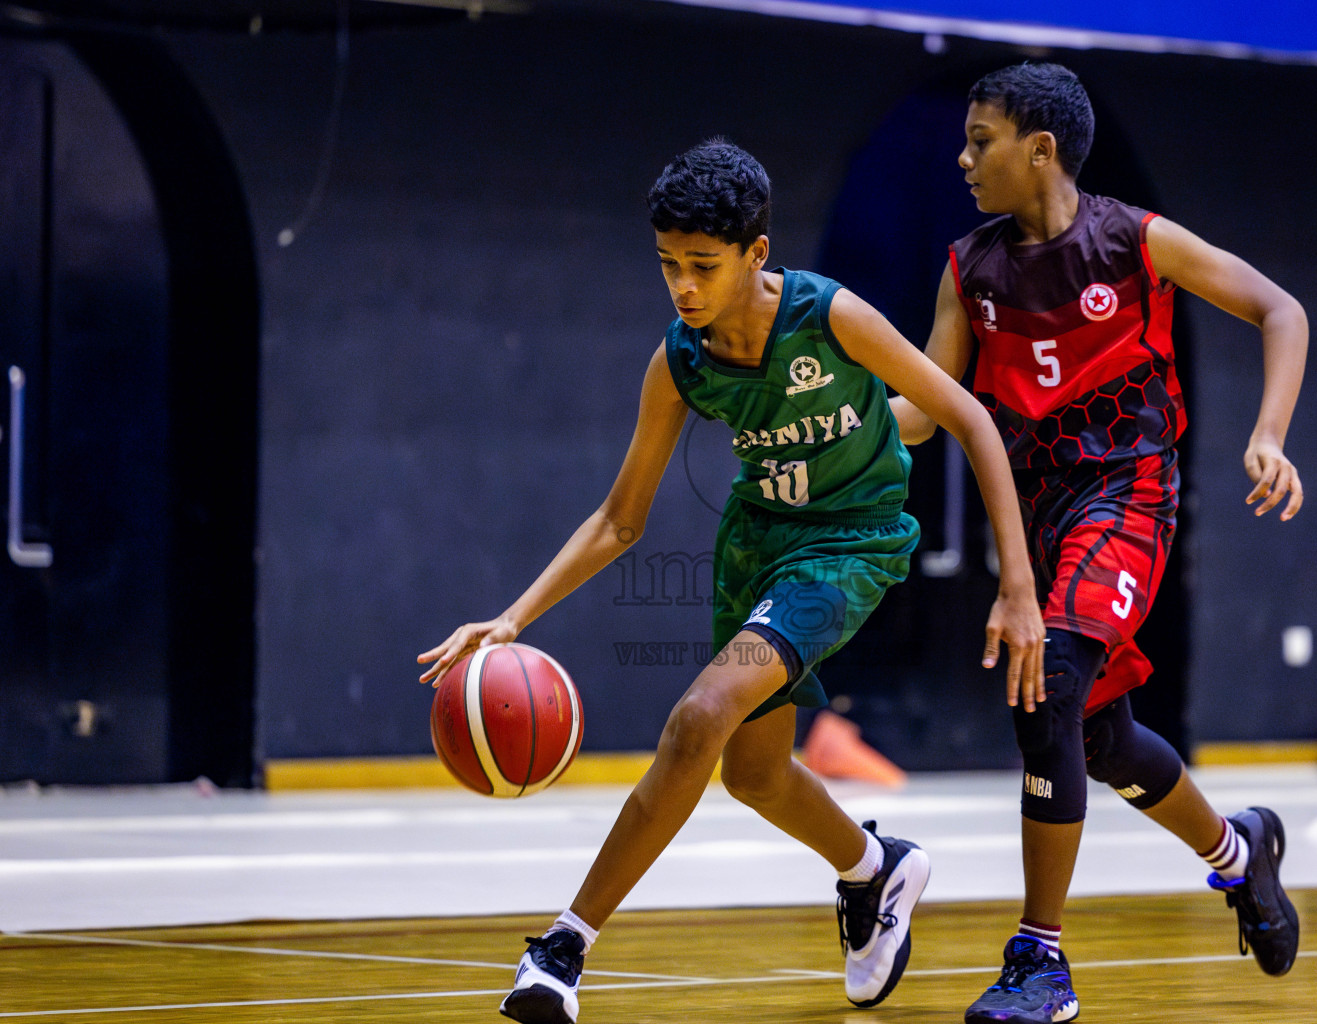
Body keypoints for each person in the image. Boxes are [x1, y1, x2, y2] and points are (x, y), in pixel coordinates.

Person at [418, 138, 1046, 1024]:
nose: (682, 286)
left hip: (850, 544)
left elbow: (969, 418)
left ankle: (562, 949)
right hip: (758, 545)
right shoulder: (681, 362)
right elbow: (618, 519)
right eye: (669, 265)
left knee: (700, 716)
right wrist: (512, 618)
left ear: (756, 255)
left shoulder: (830, 317)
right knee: (753, 774)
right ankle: (876, 870)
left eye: (702, 266)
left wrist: (1016, 586)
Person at [889, 62, 1307, 1024]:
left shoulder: (1134, 241)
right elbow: (930, 406)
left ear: (1040, 150)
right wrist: (849, 418)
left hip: (1128, 494)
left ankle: (1040, 959)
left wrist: (1269, 434)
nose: (962, 159)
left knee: (1052, 681)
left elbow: (1281, 309)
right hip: (1038, 514)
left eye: (979, 140)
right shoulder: (970, 270)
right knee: (1101, 738)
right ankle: (1240, 855)